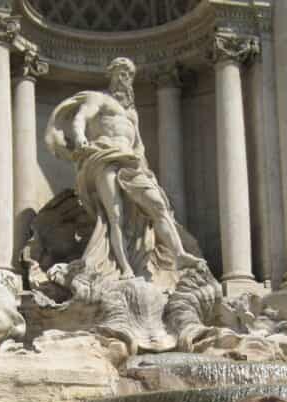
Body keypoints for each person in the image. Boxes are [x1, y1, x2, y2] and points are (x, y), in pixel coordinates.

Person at [45, 57, 199, 281]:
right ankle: (124, 268)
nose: (122, 79)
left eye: (127, 74)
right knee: (115, 216)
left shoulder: (132, 115)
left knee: (158, 205)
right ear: (111, 76)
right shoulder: (99, 99)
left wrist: (146, 171)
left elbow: (139, 147)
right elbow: (80, 118)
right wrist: (79, 137)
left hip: (132, 163)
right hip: (104, 158)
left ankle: (180, 254)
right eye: (118, 73)